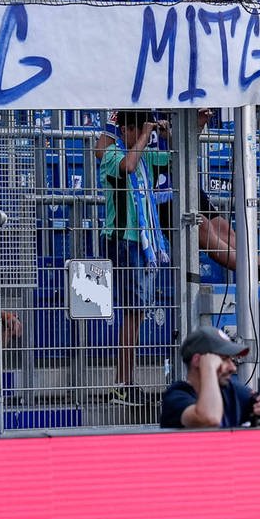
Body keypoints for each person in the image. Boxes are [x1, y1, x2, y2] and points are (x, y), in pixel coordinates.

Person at [95, 109, 172, 406]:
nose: (141, 137)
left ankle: (125, 381)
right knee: (132, 311)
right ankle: (122, 383)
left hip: (142, 242)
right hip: (122, 240)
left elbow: (173, 161)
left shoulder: (143, 156)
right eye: (136, 131)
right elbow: (127, 166)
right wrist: (144, 136)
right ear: (125, 130)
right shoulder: (113, 155)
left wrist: (167, 136)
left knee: (136, 313)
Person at [159, 326, 260, 428]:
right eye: (224, 359)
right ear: (198, 361)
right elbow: (209, 418)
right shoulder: (177, 396)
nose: (233, 368)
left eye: (232, 360)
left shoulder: (232, 391)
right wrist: (209, 368)